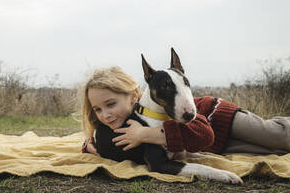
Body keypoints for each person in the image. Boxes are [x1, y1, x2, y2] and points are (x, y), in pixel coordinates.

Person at [80, 66, 290, 157]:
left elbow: (199, 129)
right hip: (216, 146)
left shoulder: (150, 110)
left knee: (278, 135)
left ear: (134, 97)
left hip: (214, 117)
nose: (106, 114)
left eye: (111, 104)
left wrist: (147, 134)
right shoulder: (124, 123)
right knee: (275, 151)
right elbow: (101, 136)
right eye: (97, 109)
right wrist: (90, 145)